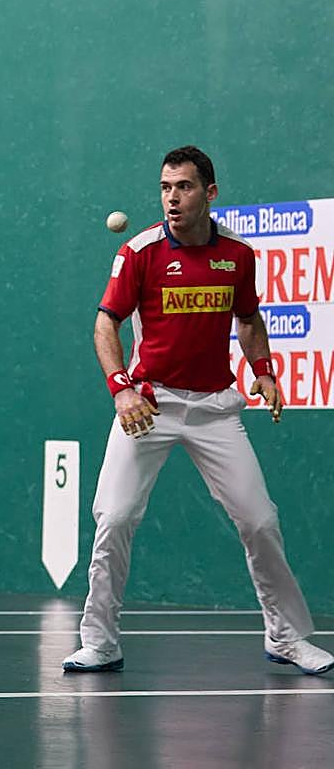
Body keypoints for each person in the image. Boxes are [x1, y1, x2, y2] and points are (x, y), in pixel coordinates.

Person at [63, 146, 333, 675]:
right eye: (165, 188)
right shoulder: (139, 251)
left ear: (210, 193)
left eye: (183, 187)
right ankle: (101, 642)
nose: (172, 198)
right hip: (149, 405)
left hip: (215, 409)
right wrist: (122, 390)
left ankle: (285, 637)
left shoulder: (238, 255)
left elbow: (248, 319)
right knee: (114, 517)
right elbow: (105, 323)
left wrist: (264, 371)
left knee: (260, 520)